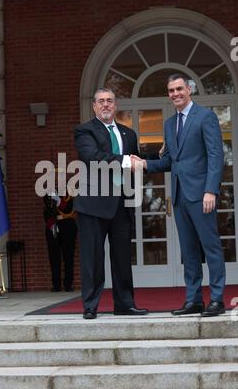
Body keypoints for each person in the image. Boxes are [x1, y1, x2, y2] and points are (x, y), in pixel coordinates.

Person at [133, 73, 226, 317]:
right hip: (179, 197)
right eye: (171, 91)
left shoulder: (205, 117)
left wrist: (210, 190)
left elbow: (216, 156)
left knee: (211, 247)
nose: (175, 94)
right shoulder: (169, 124)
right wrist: (144, 164)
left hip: (201, 195)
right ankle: (193, 300)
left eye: (179, 89)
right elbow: (169, 162)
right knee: (189, 251)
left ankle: (217, 299)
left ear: (189, 90)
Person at [74, 87, 148, 319]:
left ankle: (125, 304)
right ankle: (90, 306)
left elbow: (135, 165)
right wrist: (127, 160)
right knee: (92, 258)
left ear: (115, 106)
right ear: (94, 106)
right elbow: (93, 157)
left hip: (122, 204)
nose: (105, 105)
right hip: (93, 205)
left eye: (109, 101)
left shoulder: (129, 134)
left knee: (123, 257)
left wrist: (155, 158)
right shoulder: (85, 131)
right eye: (101, 101)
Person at [43, 186, 77, 292]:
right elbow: (46, 211)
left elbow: (69, 209)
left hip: (67, 225)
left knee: (68, 256)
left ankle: (68, 284)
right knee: (54, 257)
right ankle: (56, 284)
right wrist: (51, 223)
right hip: (53, 225)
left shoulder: (69, 193)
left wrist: (58, 200)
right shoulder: (48, 193)